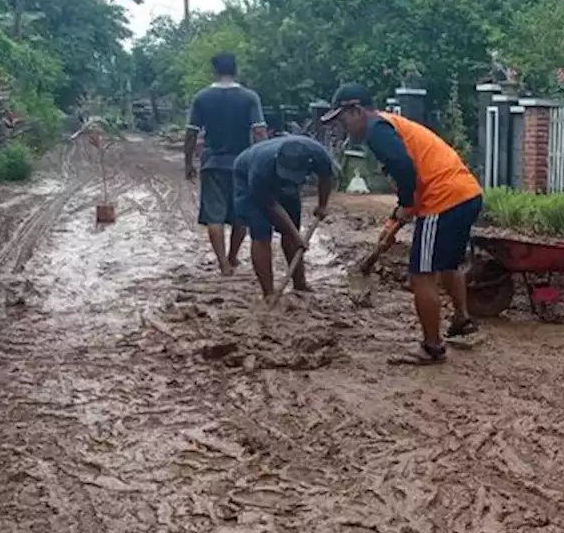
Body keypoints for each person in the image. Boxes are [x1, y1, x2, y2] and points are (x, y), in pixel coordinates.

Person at [322, 84, 483, 365]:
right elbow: (405, 168)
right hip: (466, 193)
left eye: (342, 118)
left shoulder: (376, 129)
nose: (342, 126)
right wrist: (405, 206)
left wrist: (407, 203)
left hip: (443, 198)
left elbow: (403, 166)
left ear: (356, 110)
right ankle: (462, 319)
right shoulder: (389, 125)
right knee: (448, 265)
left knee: (421, 274)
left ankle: (432, 347)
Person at [184, 52, 267, 275]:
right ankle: (233, 256)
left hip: (212, 163)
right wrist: (264, 162)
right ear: (236, 70)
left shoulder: (202, 98)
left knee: (214, 215)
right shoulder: (250, 97)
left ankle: (223, 264)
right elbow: (259, 132)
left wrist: (188, 163)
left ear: (214, 70)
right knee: (241, 214)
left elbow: (191, 133)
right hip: (243, 164)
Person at [232, 135, 334, 301]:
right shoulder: (261, 168)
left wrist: (322, 205)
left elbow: (326, 177)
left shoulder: (319, 155)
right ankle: (269, 293)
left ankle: (300, 283)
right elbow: (271, 205)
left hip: (286, 187)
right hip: (247, 178)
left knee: (292, 226)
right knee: (261, 231)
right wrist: (296, 236)